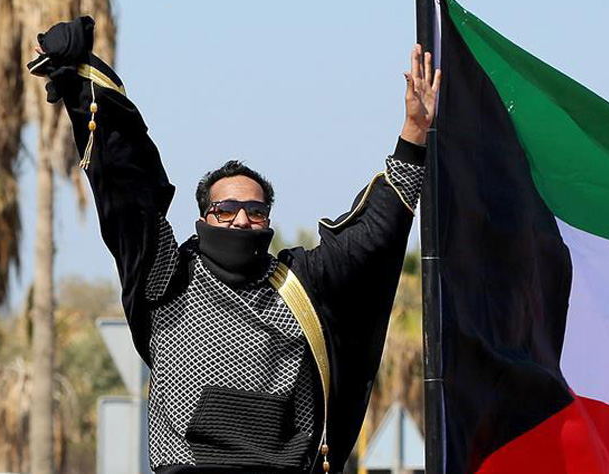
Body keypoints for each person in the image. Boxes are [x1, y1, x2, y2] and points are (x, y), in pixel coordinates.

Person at [28, 16, 440, 474]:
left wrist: (414, 134)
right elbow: (128, 190)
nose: (242, 219)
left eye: (255, 210)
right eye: (226, 209)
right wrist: (83, 84)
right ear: (205, 217)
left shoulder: (299, 285)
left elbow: (373, 240)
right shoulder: (168, 276)